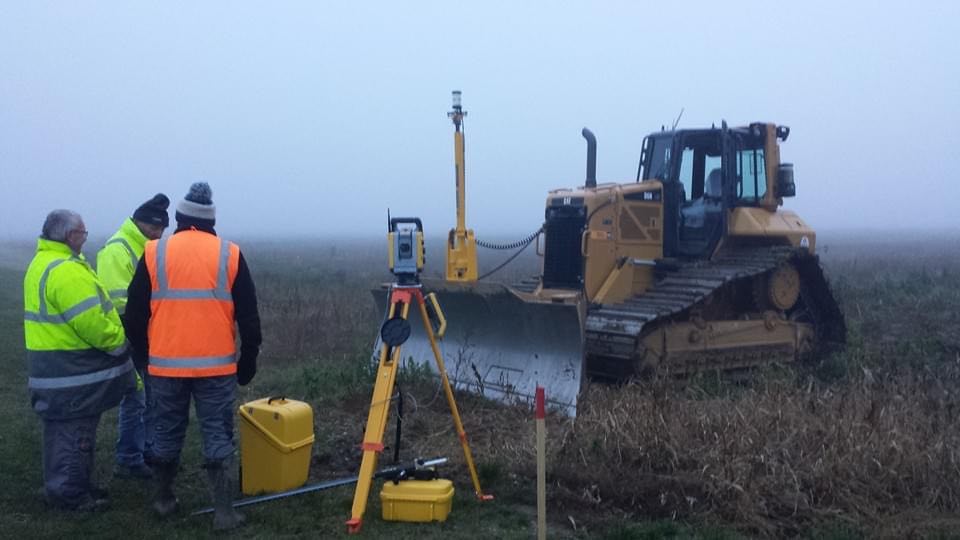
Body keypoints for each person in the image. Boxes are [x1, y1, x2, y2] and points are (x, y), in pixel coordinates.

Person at [124, 182, 262, 530]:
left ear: (180, 217)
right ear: (211, 221)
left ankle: (163, 499)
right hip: (217, 368)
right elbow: (249, 315)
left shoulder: (154, 252)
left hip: (165, 367)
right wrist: (249, 359)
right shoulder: (229, 253)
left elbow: (135, 314)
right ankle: (224, 513)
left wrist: (143, 356)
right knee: (218, 434)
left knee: (166, 432)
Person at [23, 209, 135, 511]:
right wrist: (119, 341)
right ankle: (70, 496)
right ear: (69, 235)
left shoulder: (44, 262)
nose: (85, 237)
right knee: (76, 434)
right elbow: (92, 323)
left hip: (53, 368)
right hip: (71, 372)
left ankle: (71, 485)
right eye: (82, 233)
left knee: (61, 431)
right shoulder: (66, 270)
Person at [96, 193, 170, 479]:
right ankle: (129, 457)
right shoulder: (119, 249)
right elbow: (119, 304)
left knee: (152, 397)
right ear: (142, 224)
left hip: (150, 336)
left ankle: (147, 449)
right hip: (131, 338)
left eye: (163, 229)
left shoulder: (145, 248)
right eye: (157, 228)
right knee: (136, 399)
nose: (161, 234)